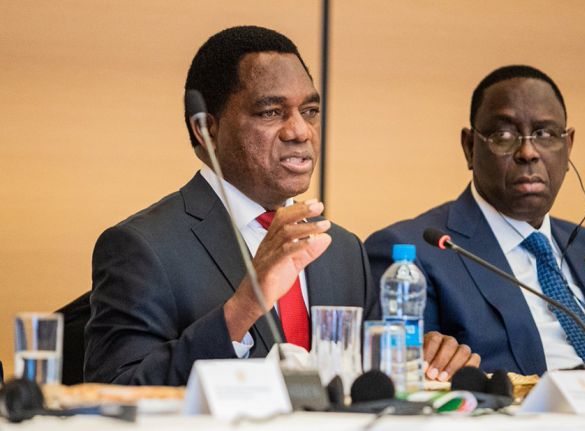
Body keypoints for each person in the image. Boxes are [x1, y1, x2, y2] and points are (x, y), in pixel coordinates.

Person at [84, 26, 478, 386]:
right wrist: (243, 308)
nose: (300, 131)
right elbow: (116, 395)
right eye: (271, 112)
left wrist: (415, 360)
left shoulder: (341, 250)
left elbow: (367, 384)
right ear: (206, 129)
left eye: (310, 111)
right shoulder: (142, 246)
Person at [365, 65, 585, 376]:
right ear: (470, 147)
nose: (528, 152)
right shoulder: (413, 252)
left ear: (568, 146)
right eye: (504, 135)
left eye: (545, 134)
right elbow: (408, 374)